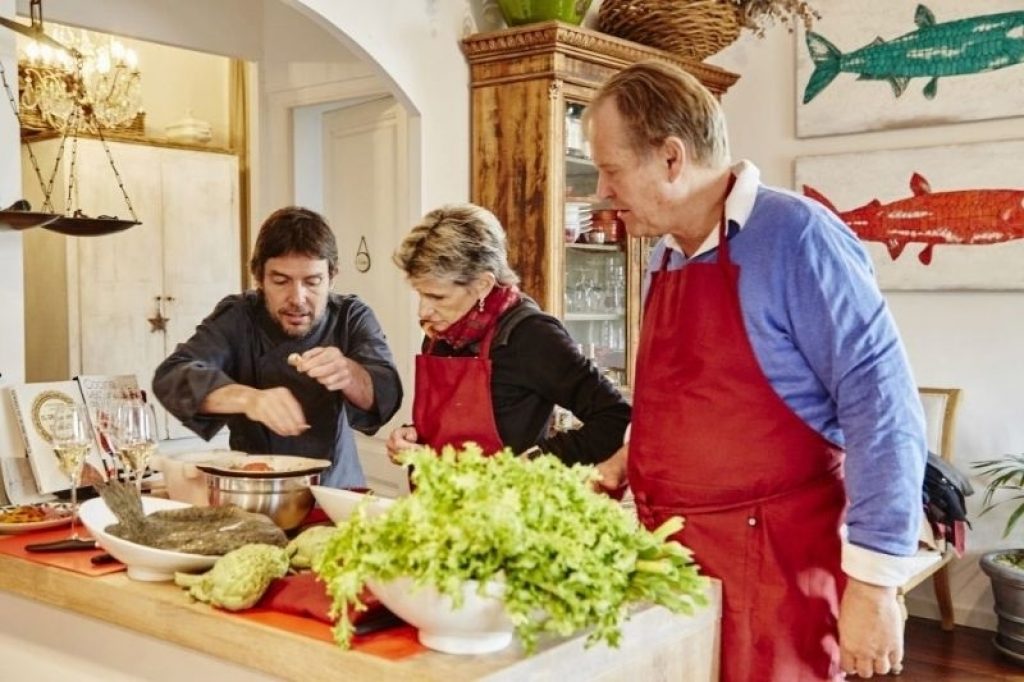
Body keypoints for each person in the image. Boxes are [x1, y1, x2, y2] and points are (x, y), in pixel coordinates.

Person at [586, 62, 927, 681]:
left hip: (774, 572)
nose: (601, 193)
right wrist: (626, 459)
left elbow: (885, 408)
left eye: (610, 171)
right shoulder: (665, 256)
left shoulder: (798, 237)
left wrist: (875, 585)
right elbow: (685, 398)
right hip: (671, 561)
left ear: (670, 158)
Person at [153, 206, 402, 488]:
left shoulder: (350, 316)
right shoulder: (239, 316)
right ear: (258, 278)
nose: (297, 298)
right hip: (255, 492)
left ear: (332, 277)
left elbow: (386, 393)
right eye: (281, 281)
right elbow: (172, 376)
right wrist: (248, 399)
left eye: (313, 281)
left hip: (338, 491)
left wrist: (348, 373)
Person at [386, 202, 630, 467]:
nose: (424, 310)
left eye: (437, 296)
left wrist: (537, 462)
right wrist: (412, 437)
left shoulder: (532, 335)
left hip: (506, 505)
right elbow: (455, 427)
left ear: (483, 284)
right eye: (420, 294)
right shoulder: (442, 333)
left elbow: (616, 418)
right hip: (436, 505)